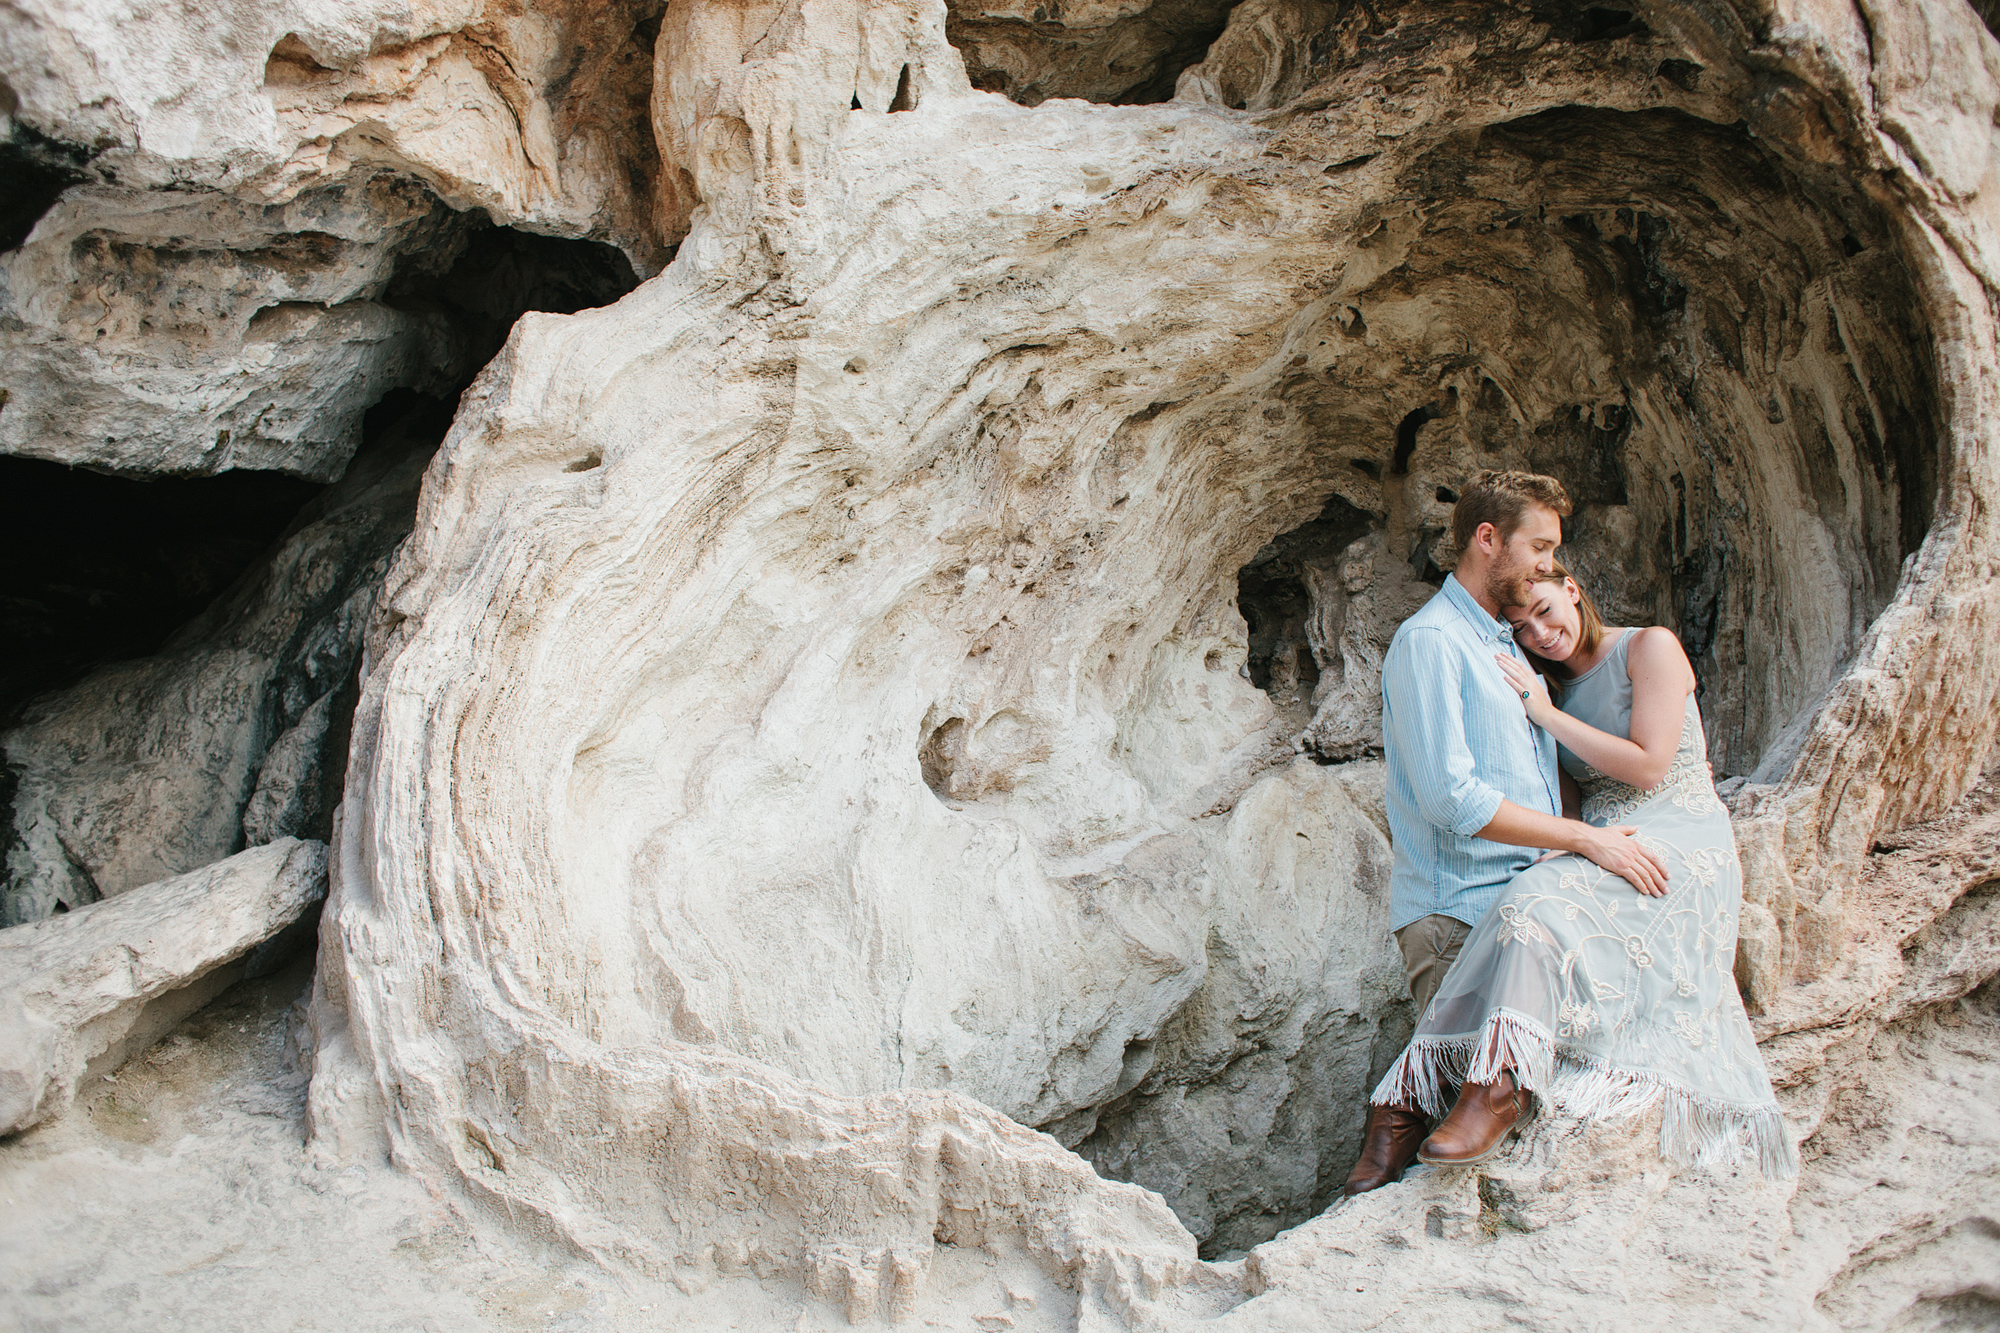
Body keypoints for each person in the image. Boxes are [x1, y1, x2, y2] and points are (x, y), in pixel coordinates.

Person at [1366, 563, 1796, 1178]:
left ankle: (1449, 1093)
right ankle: (1424, 1099)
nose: (1540, 634)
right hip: (1603, 838)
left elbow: (1648, 766)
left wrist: (1544, 714)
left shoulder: (1649, 647)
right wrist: (1563, 841)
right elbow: (1564, 791)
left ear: (1572, 590)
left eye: (1545, 611)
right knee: (1526, 895)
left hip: (1677, 835)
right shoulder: (1548, 687)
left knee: (1536, 901)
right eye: (1521, 627)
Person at [1344, 471, 1670, 1196]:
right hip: (1461, 911)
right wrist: (1581, 840)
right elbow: (1451, 797)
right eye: (1540, 546)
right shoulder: (1430, 642)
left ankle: (1393, 1118)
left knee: (1511, 1122)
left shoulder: (1512, 650)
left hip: (1527, 906)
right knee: (1465, 1153)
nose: (1549, 565)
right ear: (1487, 539)